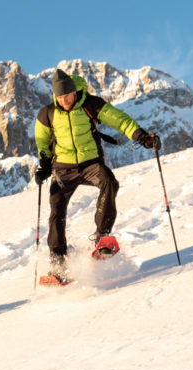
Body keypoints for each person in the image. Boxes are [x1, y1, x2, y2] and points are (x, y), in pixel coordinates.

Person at [34, 69, 161, 282]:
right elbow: (42, 141)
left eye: (67, 95)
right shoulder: (47, 113)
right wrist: (44, 165)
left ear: (74, 92)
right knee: (56, 205)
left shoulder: (90, 104)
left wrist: (141, 136)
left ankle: (103, 236)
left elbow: (119, 120)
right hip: (63, 169)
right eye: (59, 96)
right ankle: (58, 262)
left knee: (109, 182)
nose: (64, 100)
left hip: (91, 164)